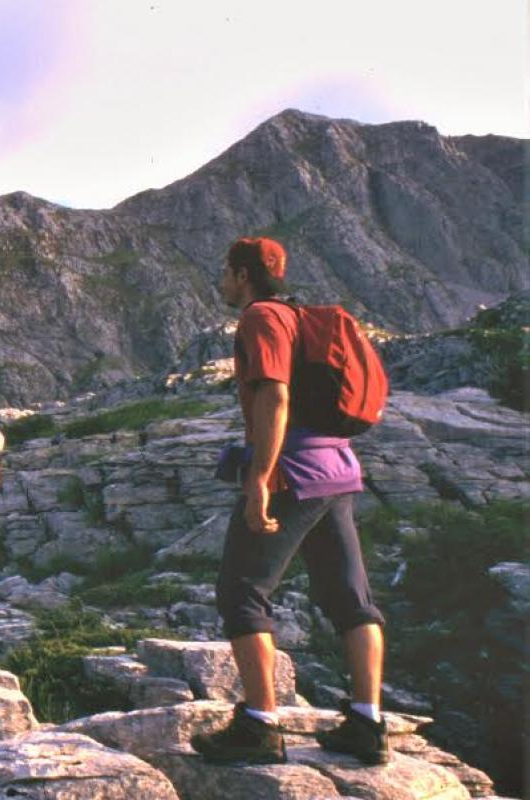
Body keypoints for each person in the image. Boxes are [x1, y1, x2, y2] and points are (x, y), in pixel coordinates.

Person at [190, 237, 390, 765]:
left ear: (241, 274)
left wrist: (260, 477)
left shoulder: (260, 317)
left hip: (293, 474)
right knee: (352, 599)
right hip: (339, 469)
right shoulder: (303, 316)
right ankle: (367, 725)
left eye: (224, 273)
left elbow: (274, 395)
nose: (222, 282)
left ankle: (259, 726)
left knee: (242, 592)